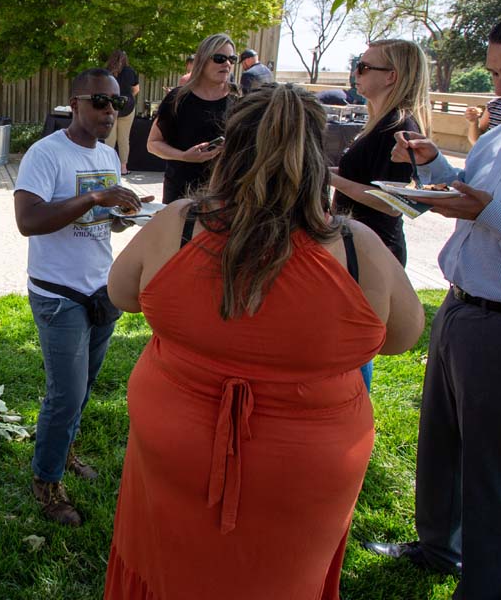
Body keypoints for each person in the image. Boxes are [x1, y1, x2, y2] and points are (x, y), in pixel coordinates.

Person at [103, 84, 423, 599]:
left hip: (176, 441)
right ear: (319, 157)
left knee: (170, 569)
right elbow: (403, 337)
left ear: (229, 150)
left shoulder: (180, 225)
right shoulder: (356, 247)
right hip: (309, 463)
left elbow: (122, 293)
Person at [366, 4, 501, 599]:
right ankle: (438, 547)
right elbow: (478, 191)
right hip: (463, 311)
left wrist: (492, 213)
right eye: (493, 73)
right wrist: (433, 164)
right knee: (442, 448)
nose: (500, 88)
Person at [13, 69, 151, 527]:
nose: (110, 111)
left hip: (100, 286)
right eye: (100, 101)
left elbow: (102, 220)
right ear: (74, 102)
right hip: (58, 292)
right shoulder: (45, 154)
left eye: (117, 104)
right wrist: (94, 197)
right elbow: (28, 221)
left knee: (84, 386)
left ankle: (63, 448)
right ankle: (46, 480)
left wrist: (125, 212)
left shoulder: (110, 155)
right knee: (66, 394)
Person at [329, 39, 432, 267]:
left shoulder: (398, 127)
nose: (356, 72)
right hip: (357, 245)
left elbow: (392, 203)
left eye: (364, 67)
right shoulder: (382, 123)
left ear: (391, 76)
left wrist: (330, 178)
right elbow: (363, 174)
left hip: (376, 252)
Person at [148, 34, 238, 203]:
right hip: (181, 193)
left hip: (225, 194)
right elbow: (153, 144)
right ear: (202, 61)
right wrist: (184, 156)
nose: (227, 64)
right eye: (219, 58)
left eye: (232, 59)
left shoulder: (240, 99)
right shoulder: (179, 98)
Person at [104, 50, 139, 175]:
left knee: (109, 138)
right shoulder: (130, 71)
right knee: (124, 138)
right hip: (127, 106)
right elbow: (136, 89)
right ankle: (123, 168)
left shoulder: (107, 72)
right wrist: (128, 97)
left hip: (111, 106)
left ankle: (108, 167)